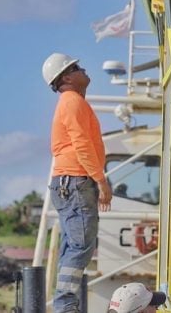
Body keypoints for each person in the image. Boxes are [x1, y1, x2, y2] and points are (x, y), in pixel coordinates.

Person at [42, 52, 113, 313]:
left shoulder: (71, 102)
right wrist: (101, 181)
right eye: (77, 67)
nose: (83, 70)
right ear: (67, 77)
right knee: (81, 245)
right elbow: (82, 146)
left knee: (73, 245)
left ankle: (65, 303)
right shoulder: (72, 102)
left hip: (67, 182)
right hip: (75, 181)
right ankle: (65, 305)